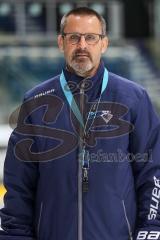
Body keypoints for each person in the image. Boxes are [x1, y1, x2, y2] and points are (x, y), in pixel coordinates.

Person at [0, 6, 160, 240]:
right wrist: (15, 235)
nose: (82, 45)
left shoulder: (134, 98)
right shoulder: (36, 102)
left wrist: (151, 228)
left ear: (103, 44)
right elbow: (19, 183)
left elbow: (152, 172)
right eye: (73, 37)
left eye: (91, 37)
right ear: (61, 42)